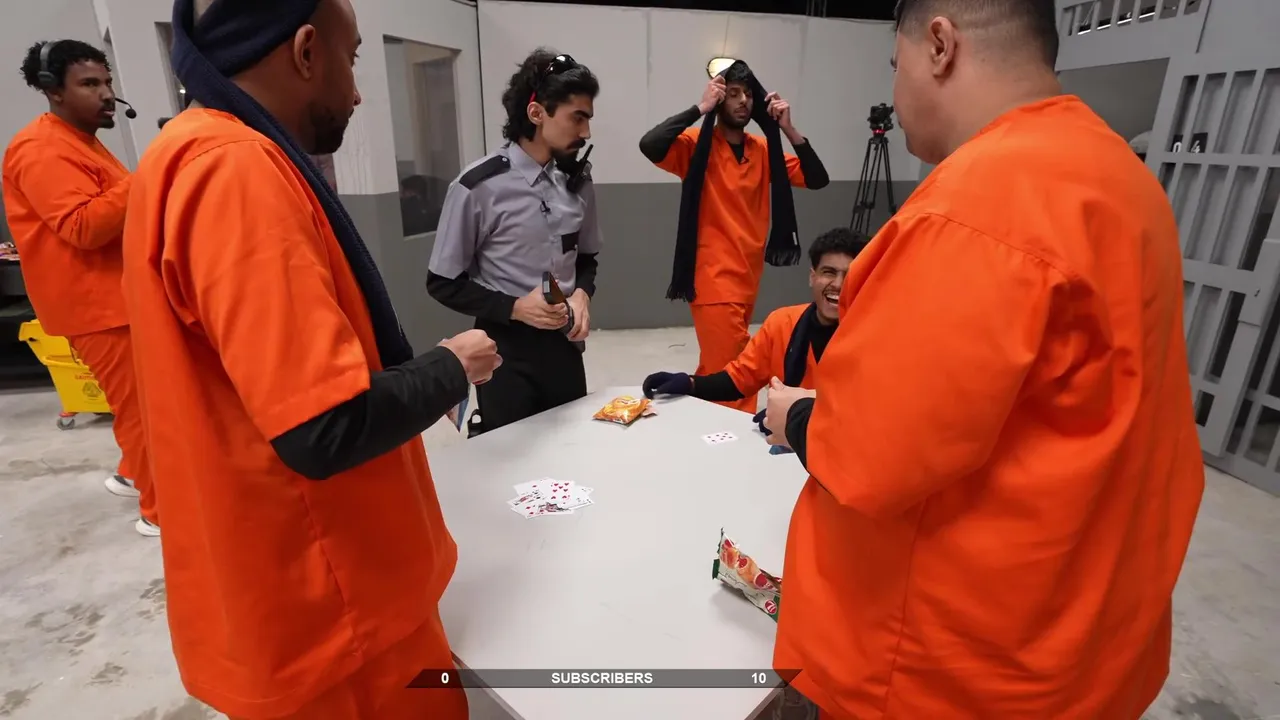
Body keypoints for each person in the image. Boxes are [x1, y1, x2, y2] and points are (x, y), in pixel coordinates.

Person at [761, 1, 1205, 718]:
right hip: (1080, 634)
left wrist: (800, 417)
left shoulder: (975, 207)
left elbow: (876, 453)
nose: (896, 91)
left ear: (940, 45)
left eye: (895, 63)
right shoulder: (1119, 177)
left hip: (945, 664)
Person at [121, 0, 500, 718]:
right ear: (304, 51)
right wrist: (451, 365)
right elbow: (324, 426)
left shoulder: (180, 152)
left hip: (285, 587)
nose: (356, 93)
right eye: (350, 60)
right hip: (335, 613)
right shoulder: (236, 173)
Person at [2, 39, 159, 537]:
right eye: (90, 84)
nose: (107, 94)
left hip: (116, 296)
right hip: (97, 307)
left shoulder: (81, 140)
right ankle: (160, 512)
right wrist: (151, 174)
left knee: (145, 403)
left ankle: (132, 473)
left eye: (107, 82)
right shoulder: (40, 149)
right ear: (53, 91)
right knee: (144, 411)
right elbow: (83, 226)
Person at [640, 60, 830, 414]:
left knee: (716, 370)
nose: (743, 100)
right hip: (712, 279)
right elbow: (650, 144)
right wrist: (700, 108)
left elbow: (817, 178)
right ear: (719, 99)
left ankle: (694, 425)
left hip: (747, 278)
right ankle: (732, 437)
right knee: (737, 377)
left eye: (748, 94)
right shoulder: (695, 145)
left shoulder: (763, 150)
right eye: (733, 94)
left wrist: (788, 128)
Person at [427, 48, 602, 434]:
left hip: (564, 346)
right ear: (537, 113)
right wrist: (515, 308)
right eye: (577, 117)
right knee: (511, 456)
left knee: (574, 448)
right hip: (503, 350)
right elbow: (442, 282)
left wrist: (582, 295)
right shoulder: (477, 187)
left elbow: (587, 257)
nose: (586, 132)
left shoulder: (579, 184)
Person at [641, 227, 865, 418]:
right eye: (829, 272)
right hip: (786, 440)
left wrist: (797, 419)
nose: (838, 284)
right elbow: (739, 379)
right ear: (812, 276)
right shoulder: (782, 323)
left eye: (849, 275)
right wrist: (691, 384)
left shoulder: (873, 335)